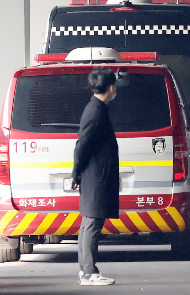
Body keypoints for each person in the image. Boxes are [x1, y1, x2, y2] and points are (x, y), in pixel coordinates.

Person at [71, 67, 119, 286]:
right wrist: (76, 171)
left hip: (94, 174)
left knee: (88, 222)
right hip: (95, 175)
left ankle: (84, 271)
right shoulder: (96, 111)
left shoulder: (96, 108)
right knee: (92, 223)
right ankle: (90, 272)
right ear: (110, 87)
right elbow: (82, 145)